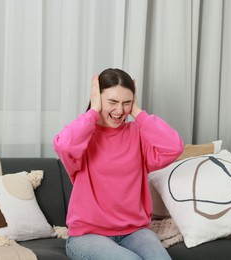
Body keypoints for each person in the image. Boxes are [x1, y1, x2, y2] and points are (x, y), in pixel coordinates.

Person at [53, 68, 184, 260]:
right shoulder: (83, 138)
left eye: (126, 103)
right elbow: (63, 145)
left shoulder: (137, 134)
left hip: (135, 231)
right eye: (112, 102)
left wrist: (138, 112)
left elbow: (174, 147)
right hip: (88, 235)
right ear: (98, 99)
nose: (120, 110)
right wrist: (93, 112)